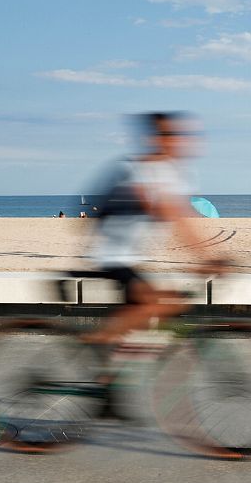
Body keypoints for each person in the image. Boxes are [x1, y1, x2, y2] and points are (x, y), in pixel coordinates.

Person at [82, 112, 223, 344]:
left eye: (179, 134)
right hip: (114, 257)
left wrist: (204, 256)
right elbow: (168, 211)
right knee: (160, 304)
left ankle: (111, 352)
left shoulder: (174, 172)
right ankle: (96, 342)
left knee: (165, 305)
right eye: (168, 134)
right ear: (154, 138)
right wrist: (205, 257)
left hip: (134, 257)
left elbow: (179, 215)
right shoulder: (135, 169)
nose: (176, 140)